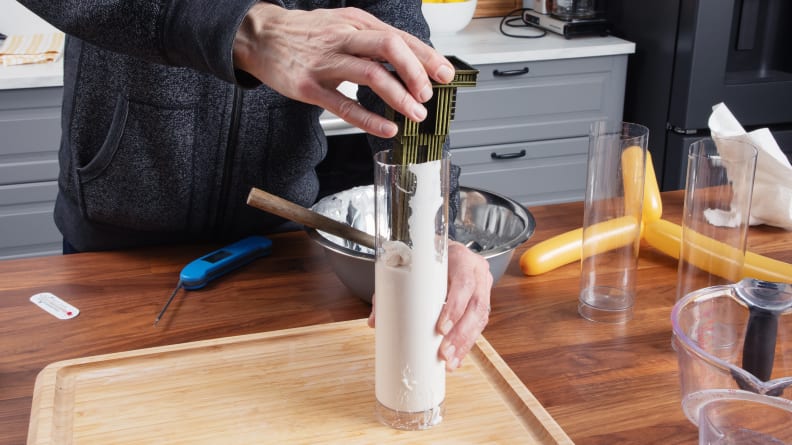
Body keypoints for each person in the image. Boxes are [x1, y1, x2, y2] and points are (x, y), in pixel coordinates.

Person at [19, 0, 492, 371]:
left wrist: (429, 228)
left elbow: (398, 52)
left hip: (276, 248)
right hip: (116, 241)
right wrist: (243, 27)